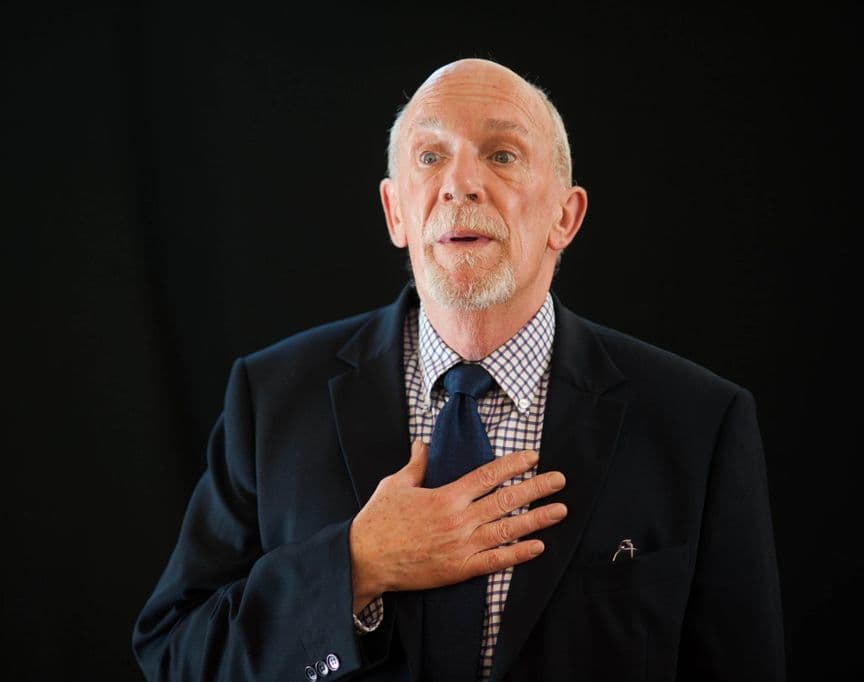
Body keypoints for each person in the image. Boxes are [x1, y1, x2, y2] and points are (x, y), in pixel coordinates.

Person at [132, 58, 785, 681]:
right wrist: (357, 565)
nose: (459, 183)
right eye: (430, 156)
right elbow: (175, 653)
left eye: (501, 155)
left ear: (565, 216)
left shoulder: (698, 423)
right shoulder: (271, 399)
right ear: (395, 212)